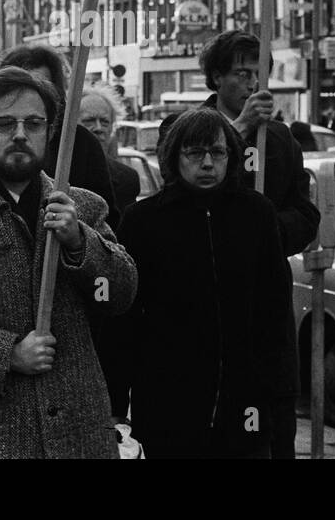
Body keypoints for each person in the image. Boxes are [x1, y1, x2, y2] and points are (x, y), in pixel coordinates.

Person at [0, 67, 137, 459]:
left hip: (80, 435)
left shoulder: (83, 207)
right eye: (4, 123)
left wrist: (80, 241)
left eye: (33, 123)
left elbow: (119, 296)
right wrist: (6, 353)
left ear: (51, 133)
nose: (19, 134)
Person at [112, 109, 292, 458]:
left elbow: (274, 306)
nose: (208, 163)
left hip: (245, 401)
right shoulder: (143, 221)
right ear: (174, 156)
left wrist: (271, 388)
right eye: (195, 153)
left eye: (218, 153)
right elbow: (124, 319)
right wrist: (117, 403)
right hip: (168, 401)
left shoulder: (257, 213)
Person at [197, 29, 321, 459]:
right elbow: (186, 196)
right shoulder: (184, 129)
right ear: (216, 78)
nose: (252, 83)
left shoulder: (282, 140)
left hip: (266, 311)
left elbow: (304, 216)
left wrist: (263, 232)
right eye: (240, 73)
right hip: (205, 306)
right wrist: (241, 127)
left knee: (271, 432)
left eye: (258, 73)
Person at [0, 45, 121, 231]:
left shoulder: (81, 144)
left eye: (40, 86)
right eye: (20, 86)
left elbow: (106, 225)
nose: (29, 95)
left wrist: (77, 238)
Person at [79, 85, 140, 213]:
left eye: (105, 121)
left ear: (112, 127)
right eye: (89, 121)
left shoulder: (127, 179)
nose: (98, 128)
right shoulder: (53, 174)